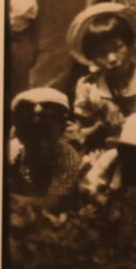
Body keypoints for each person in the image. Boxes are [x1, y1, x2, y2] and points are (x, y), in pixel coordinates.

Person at [66, 3, 136, 150]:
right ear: (92, 57)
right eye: (101, 53)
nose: (112, 58)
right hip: (103, 150)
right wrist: (95, 129)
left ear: (130, 45)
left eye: (117, 48)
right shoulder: (89, 86)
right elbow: (83, 128)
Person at [5, 86, 83, 221]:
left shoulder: (68, 156)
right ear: (19, 135)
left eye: (48, 136)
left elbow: (50, 203)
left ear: (62, 131)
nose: (42, 144)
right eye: (33, 137)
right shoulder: (11, 153)